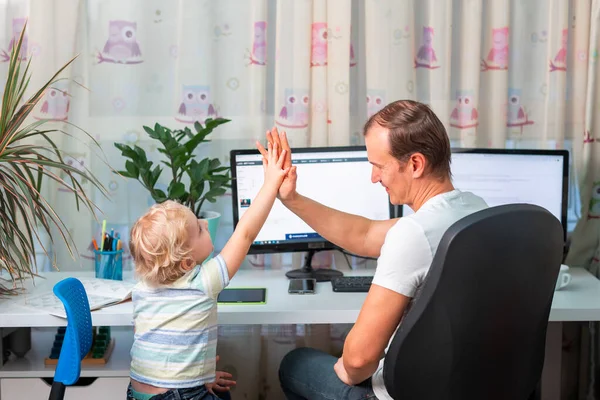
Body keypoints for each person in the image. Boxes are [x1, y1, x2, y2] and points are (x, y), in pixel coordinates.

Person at [257, 100, 489, 400]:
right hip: (464, 386)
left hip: (406, 392)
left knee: (295, 363)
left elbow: (358, 362)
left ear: (415, 164)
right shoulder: (474, 209)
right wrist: (293, 199)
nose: (374, 178)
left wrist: (345, 370)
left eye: (379, 166)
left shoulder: (414, 233)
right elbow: (364, 234)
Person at [126, 142, 290, 400]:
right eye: (200, 229)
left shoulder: (142, 288)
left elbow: (165, 347)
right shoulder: (202, 282)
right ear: (187, 264)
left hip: (138, 393)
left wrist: (200, 374)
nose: (205, 223)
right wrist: (271, 183)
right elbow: (245, 233)